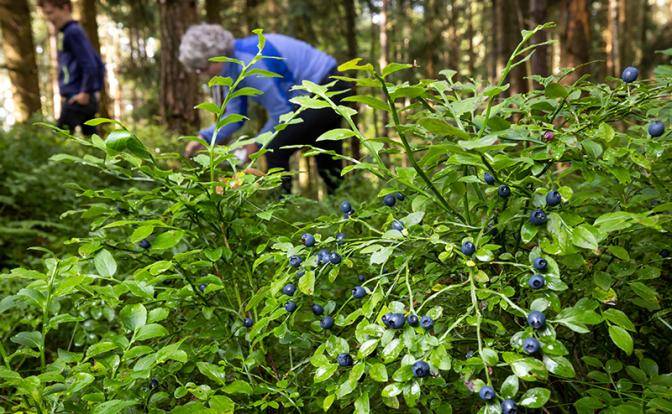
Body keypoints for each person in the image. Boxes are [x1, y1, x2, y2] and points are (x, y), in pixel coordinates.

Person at [179, 24, 351, 194]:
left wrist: (256, 144)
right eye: (197, 70)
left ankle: (281, 209)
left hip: (328, 87)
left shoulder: (249, 62)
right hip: (316, 92)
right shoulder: (229, 69)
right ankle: (343, 204)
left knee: (274, 148)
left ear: (216, 55)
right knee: (327, 155)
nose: (202, 73)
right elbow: (235, 115)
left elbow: (282, 113)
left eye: (203, 68)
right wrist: (205, 137)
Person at [38, 0, 105, 136]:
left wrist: (85, 92)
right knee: (93, 142)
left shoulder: (72, 32)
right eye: (46, 14)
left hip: (79, 97)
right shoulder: (69, 32)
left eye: (51, 13)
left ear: (66, 8)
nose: (49, 18)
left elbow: (90, 64)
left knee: (58, 138)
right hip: (82, 96)